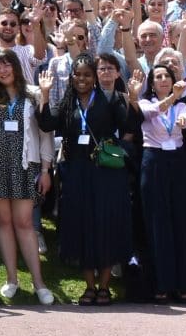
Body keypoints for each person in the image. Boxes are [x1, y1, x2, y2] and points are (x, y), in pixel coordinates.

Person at [46, 54, 140, 305]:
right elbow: (45, 123)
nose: (82, 79)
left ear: (95, 77)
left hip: (106, 174)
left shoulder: (109, 100)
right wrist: (44, 96)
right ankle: (89, 286)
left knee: (105, 227)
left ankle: (105, 286)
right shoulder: (67, 103)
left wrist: (133, 99)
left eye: (88, 74)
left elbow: (131, 124)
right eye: (78, 75)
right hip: (77, 173)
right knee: (83, 226)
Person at [0, 56, 55, 305]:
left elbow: (45, 135)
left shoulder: (34, 94)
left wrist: (47, 169)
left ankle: (39, 283)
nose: (2, 70)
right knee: (3, 223)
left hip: (26, 167)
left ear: (16, 67)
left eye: (6, 65)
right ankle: (11, 279)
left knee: (25, 223)